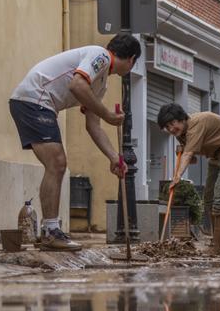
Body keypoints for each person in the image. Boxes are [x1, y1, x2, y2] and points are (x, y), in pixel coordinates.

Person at [10, 35, 141, 251]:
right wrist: (108, 114)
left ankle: (50, 231)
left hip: (37, 103)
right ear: (132, 59)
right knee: (57, 164)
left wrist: (113, 158)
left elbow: (93, 126)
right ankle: (51, 232)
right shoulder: (100, 56)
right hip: (34, 99)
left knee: (56, 164)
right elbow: (77, 85)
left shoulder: (100, 83)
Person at [157, 104, 220, 255]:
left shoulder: (196, 124)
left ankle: (216, 246)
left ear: (181, 118)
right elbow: (192, 159)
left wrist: (177, 177)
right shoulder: (182, 133)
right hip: (216, 155)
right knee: (209, 198)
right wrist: (182, 150)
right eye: (167, 127)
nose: (171, 129)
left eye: (172, 123)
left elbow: (188, 156)